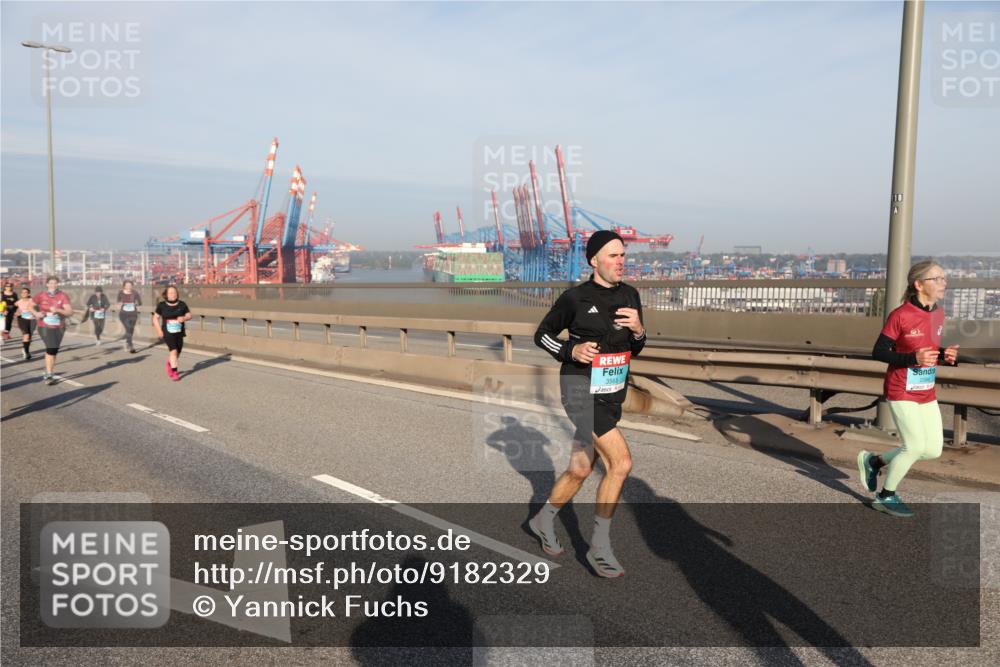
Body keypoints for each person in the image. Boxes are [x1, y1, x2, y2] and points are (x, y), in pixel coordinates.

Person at [528, 230, 646, 577]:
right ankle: (600, 548)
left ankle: (542, 520)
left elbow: (635, 346)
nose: (620, 261)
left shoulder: (630, 295)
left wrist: (638, 330)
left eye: (623, 255)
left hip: (611, 392)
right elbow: (542, 334)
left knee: (580, 469)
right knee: (621, 463)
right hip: (579, 388)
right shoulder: (575, 298)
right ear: (594, 260)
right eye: (612, 256)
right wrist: (570, 350)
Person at [857, 261, 959, 517]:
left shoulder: (939, 313)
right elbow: (878, 352)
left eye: (943, 278)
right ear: (919, 284)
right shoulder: (900, 315)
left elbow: (928, 348)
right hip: (901, 388)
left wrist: (944, 354)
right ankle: (885, 496)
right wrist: (913, 359)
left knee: (932, 449)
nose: (943, 283)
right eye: (937, 278)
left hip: (925, 390)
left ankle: (874, 461)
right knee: (913, 447)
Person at [30, 276, 73, 385]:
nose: (53, 285)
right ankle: (49, 374)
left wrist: (58, 310)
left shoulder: (63, 296)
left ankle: (49, 371)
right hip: (44, 325)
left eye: (55, 283)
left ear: (58, 284)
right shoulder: (41, 295)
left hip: (59, 326)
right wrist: (36, 313)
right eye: (51, 283)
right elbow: (30, 306)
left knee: (54, 350)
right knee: (51, 347)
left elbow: (69, 312)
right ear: (47, 284)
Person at [153, 285, 192, 381]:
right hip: (167, 331)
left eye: (174, 292)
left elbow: (189, 315)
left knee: (177, 352)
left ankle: (170, 363)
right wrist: (159, 330)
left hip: (179, 332)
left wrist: (184, 318)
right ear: (166, 295)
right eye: (170, 293)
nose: (173, 294)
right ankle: (175, 372)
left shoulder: (182, 304)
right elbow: (155, 318)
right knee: (173, 351)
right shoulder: (161, 305)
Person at [117, 280, 142, 353]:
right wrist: (120, 304)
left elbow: (140, 302)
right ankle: (131, 346)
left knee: (131, 329)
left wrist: (136, 304)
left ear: (132, 286)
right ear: (124, 286)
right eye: (127, 285)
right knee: (128, 329)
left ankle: (127, 341)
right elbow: (118, 302)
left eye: (130, 285)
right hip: (123, 314)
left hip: (133, 314)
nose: (128, 287)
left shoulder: (135, 293)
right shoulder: (120, 293)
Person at [13, 286, 37, 360]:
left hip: (32, 320)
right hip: (22, 319)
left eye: (25, 292)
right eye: (22, 292)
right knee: (26, 335)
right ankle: (26, 353)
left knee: (29, 337)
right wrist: (16, 312)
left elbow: (37, 308)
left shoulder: (32, 301)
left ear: (28, 293)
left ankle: (25, 349)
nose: (23, 293)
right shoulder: (18, 302)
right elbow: (15, 309)